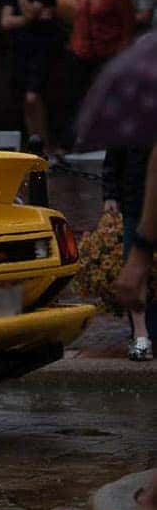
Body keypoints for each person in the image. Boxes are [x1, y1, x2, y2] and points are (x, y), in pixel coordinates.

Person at [69, 0, 136, 149]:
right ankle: (81, 140)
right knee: (81, 98)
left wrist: (121, 55)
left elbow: (128, 24)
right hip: (82, 53)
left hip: (107, 53)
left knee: (105, 100)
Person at [0, 0, 63, 155]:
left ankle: (47, 144)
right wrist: (27, 18)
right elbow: (6, 21)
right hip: (20, 48)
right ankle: (36, 145)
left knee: (34, 97)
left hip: (41, 47)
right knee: (25, 100)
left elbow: (30, 13)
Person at [102, 145, 154, 360]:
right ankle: (141, 335)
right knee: (136, 266)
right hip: (136, 198)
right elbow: (115, 151)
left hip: (137, 194)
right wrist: (110, 194)